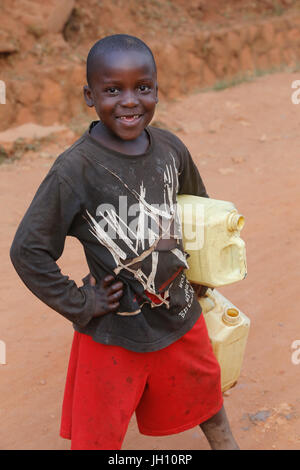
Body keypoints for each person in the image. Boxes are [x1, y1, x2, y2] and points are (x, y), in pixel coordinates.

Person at [10, 34, 239, 450]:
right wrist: (81, 303)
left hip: (178, 311)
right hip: (114, 327)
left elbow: (196, 213)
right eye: (113, 90)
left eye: (143, 88)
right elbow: (28, 250)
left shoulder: (171, 149)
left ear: (156, 89)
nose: (130, 101)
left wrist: (201, 274)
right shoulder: (74, 169)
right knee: (97, 431)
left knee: (206, 392)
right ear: (89, 95)